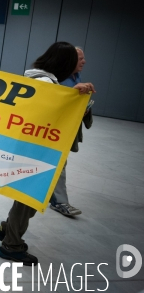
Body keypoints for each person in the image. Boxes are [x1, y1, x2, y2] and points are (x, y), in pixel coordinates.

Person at [0, 41, 95, 266]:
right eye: (75, 61)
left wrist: (72, 95)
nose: (81, 64)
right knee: (28, 198)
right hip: (36, 150)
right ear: (64, 63)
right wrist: (69, 97)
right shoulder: (45, 82)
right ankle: (11, 245)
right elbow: (46, 113)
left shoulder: (44, 80)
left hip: (32, 148)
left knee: (27, 197)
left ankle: (8, 230)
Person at [49, 47, 92, 216]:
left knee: (59, 163)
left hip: (66, 129)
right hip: (53, 131)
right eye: (80, 58)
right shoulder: (54, 79)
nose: (84, 61)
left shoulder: (75, 76)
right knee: (58, 163)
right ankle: (59, 202)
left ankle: (57, 200)